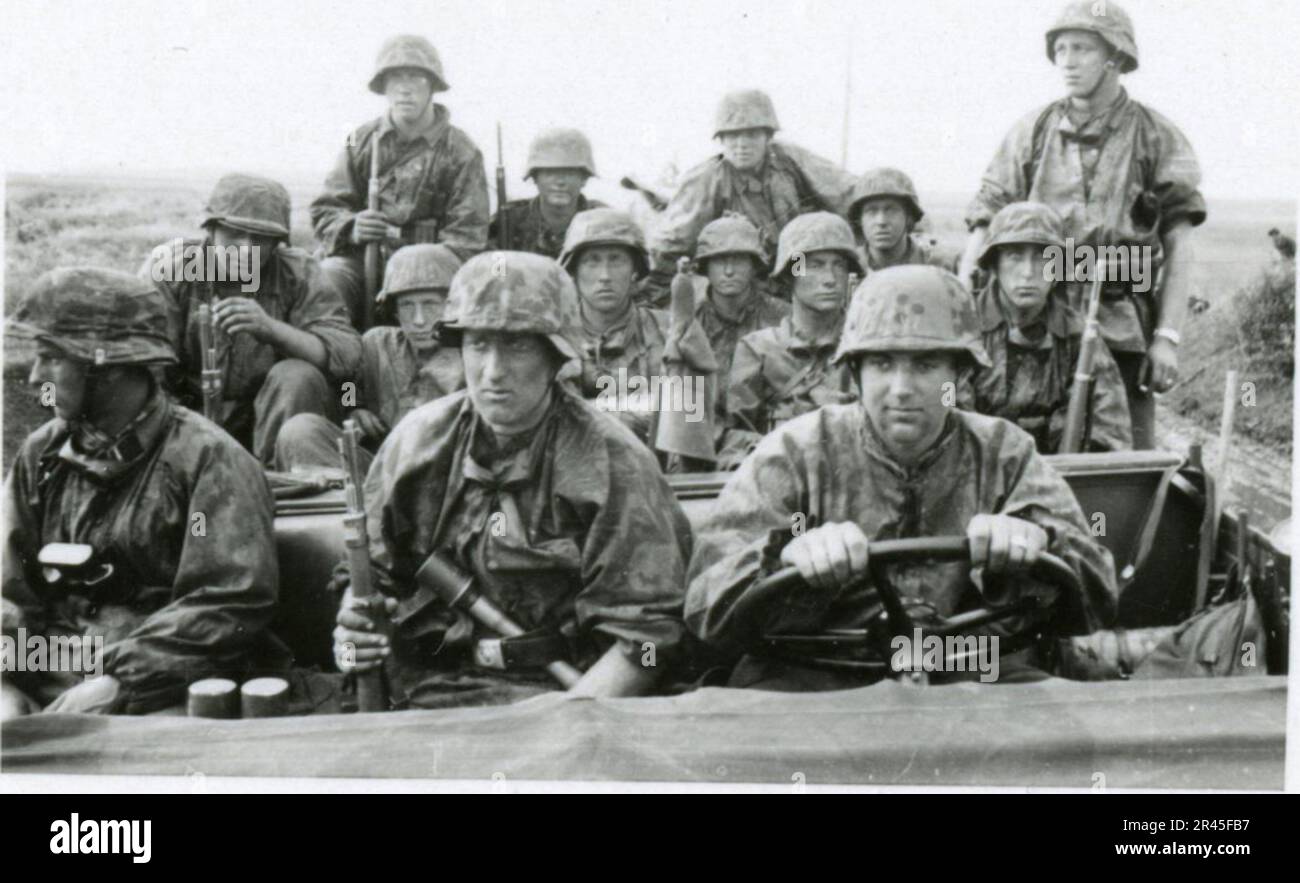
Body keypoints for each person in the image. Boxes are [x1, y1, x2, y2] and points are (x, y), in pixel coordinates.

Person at [686, 265, 1118, 691]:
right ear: (854, 373)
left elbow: (1097, 593)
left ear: (960, 374)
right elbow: (705, 602)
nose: (901, 388)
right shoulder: (796, 451)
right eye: (882, 363)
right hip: (817, 675)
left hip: (973, 672)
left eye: (926, 365)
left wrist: (1036, 545)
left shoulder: (1005, 453)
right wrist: (784, 556)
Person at [330, 252, 693, 708]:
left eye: (517, 346)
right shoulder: (416, 441)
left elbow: (646, 640)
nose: (493, 371)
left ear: (555, 356)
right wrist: (351, 629)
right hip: (425, 686)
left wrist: (578, 718)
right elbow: (370, 577)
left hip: (560, 693)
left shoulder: (613, 462)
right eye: (479, 344)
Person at [1, 268, 282, 719]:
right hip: (54, 669)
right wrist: (5, 680)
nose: (35, 377)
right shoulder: (42, 454)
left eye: (51, 359)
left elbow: (227, 604)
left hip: (164, 687)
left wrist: (120, 681)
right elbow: (10, 592)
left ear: (108, 368)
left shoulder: (208, 461)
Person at [959, 1, 1206, 449]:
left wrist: (1167, 337)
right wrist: (960, 306)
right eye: (1061, 50)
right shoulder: (1031, 131)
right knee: (1027, 446)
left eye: (1082, 49)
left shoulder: (1156, 135)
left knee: (1125, 462)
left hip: (1122, 324)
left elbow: (1180, 244)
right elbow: (986, 217)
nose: (1067, 62)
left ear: (1115, 56)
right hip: (1041, 327)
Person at [144, 173, 362, 466]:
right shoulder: (172, 270)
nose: (246, 249)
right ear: (211, 231)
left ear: (276, 244)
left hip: (267, 416)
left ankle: (284, 482)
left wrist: (272, 330)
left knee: (296, 375)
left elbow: (347, 354)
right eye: (235, 234)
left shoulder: (298, 273)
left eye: (261, 239)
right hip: (186, 417)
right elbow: (146, 363)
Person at [311, 34, 489, 330]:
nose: (405, 89)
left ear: (432, 86)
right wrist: (352, 227)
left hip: (429, 274)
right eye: (396, 79)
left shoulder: (461, 151)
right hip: (362, 264)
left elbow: (467, 239)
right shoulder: (361, 141)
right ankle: (336, 364)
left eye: (416, 79)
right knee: (327, 280)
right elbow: (325, 210)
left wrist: (413, 262)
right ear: (384, 87)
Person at [644, 89, 856, 305]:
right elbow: (670, 245)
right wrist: (654, 298)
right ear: (721, 139)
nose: (742, 144)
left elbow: (846, 193)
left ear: (768, 136)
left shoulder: (789, 162)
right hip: (738, 280)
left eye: (751, 134)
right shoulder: (707, 179)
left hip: (793, 264)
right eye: (733, 135)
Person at [274, 244, 465, 472]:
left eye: (431, 305)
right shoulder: (378, 343)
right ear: (393, 309)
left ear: (453, 305)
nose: (419, 320)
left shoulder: (471, 355)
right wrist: (354, 408)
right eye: (407, 306)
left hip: (444, 473)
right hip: (379, 472)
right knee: (300, 430)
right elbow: (346, 380)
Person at [970, 202, 1132, 452]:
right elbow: (944, 400)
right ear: (994, 264)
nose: (1028, 273)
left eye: (1042, 257)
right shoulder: (962, 330)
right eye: (1014, 256)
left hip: (1057, 478)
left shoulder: (1080, 338)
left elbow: (1110, 428)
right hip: (974, 475)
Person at [559, 208, 716, 448]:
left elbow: (695, 421)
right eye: (592, 261)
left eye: (616, 260)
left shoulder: (672, 332)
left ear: (635, 270)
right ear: (574, 271)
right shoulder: (554, 338)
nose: (605, 276)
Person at [718, 212, 860, 469]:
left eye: (838, 265)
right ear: (790, 273)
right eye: (815, 265)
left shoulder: (863, 348)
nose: (830, 278)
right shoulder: (758, 350)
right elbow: (735, 436)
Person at [489, 128, 605, 258]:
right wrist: (502, 271)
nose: (560, 182)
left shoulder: (603, 222)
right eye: (550, 173)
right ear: (535, 178)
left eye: (570, 173)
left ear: (584, 179)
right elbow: (496, 268)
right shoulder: (508, 222)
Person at [847, 167, 957, 277]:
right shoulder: (849, 266)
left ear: (909, 217)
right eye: (871, 212)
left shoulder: (936, 267)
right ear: (859, 219)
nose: (881, 221)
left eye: (891, 210)